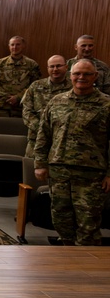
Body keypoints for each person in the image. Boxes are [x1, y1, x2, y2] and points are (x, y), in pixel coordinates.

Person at [34, 59, 110, 246]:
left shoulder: (106, 104)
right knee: (61, 220)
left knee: (88, 224)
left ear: (96, 77)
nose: (81, 77)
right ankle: (67, 262)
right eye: (77, 74)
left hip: (91, 175)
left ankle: (88, 269)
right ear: (70, 75)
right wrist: (40, 164)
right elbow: (44, 134)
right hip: (59, 171)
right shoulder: (57, 101)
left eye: (86, 74)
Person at [21, 55, 71, 157]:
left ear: (66, 67)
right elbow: (27, 113)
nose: (55, 69)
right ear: (47, 68)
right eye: (52, 66)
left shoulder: (73, 87)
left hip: (64, 141)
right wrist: (43, 130)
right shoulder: (35, 86)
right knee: (31, 170)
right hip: (37, 139)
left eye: (58, 66)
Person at [0, 36, 41, 117]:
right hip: (1, 105)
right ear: (9, 46)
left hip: (22, 105)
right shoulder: (0, 63)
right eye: (12, 45)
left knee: (18, 128)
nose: (15, 47)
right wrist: (5, 96)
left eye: (18, 44)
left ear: (23, 46)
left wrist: (18, 97)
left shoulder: (32, 64)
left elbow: (34, 84)